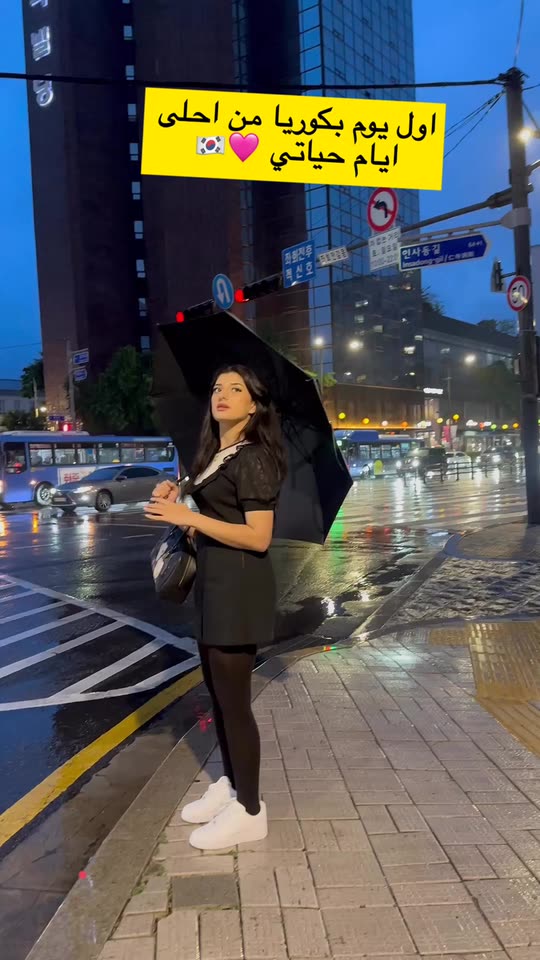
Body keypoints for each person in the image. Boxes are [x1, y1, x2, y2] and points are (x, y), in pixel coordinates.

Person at [145, 365, 286, 850]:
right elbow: (211, 518)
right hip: (213, 585)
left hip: (239, 590)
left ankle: (251, 811)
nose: (222, 394)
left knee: (235, 705)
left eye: (236, 389)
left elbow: (258, 536)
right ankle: (231, 786)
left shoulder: (254, 457)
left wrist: (189, 515)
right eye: (217, 387)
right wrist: (177, 501)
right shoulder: (214, 457)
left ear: (253, 404)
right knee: (220, 699)